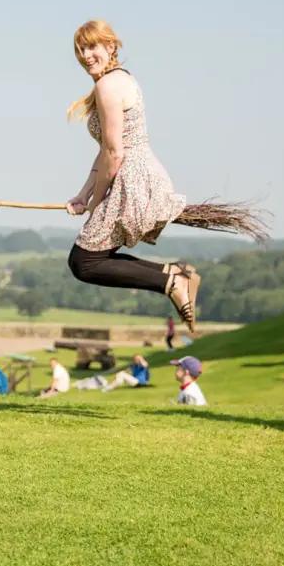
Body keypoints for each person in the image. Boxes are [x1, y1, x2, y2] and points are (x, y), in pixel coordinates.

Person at [62, 20, 200, 332]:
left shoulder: (108, 85)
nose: (85, 55)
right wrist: (84, 194)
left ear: (111, 47)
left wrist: (97, 203)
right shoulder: (116, 81)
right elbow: (106, 149)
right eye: (80, 49)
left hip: (133, 178)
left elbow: (115, 153)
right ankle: (174, 276)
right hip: (133, 174)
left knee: (85, 262)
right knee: (84, 261)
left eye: (92, 46)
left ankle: (174, 278)